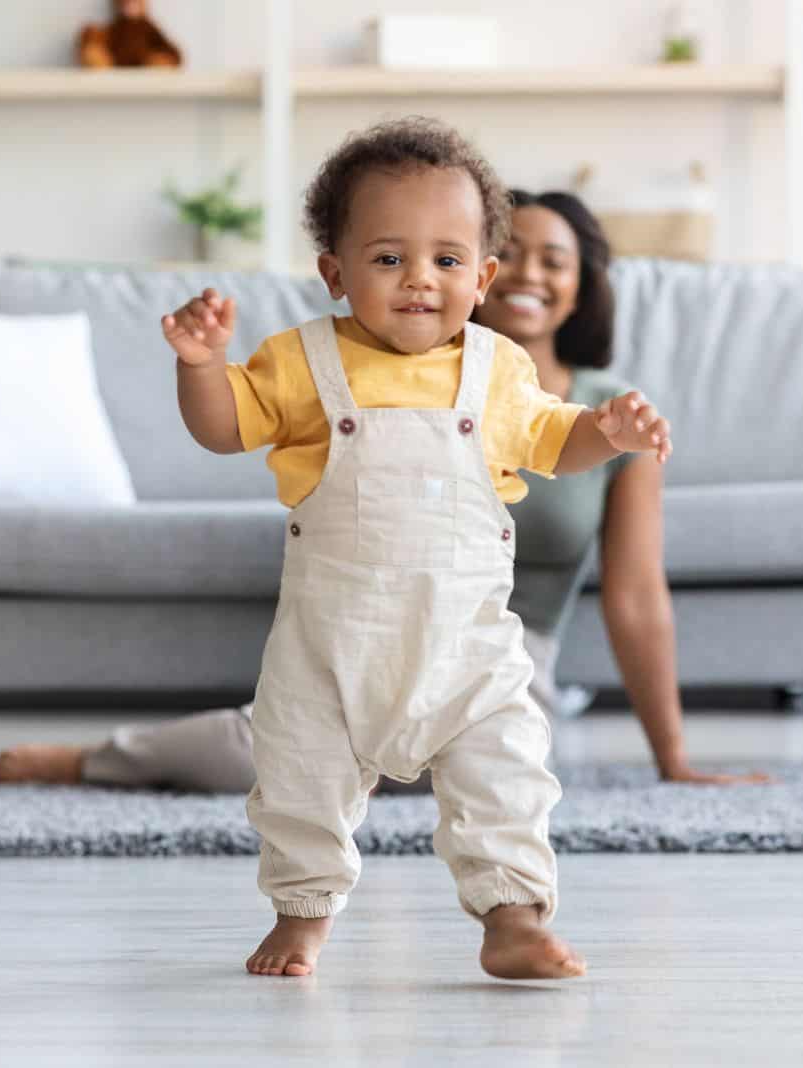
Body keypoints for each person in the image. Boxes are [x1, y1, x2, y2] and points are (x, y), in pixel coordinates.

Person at [0, 189, 766, 797]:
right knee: (294, 747)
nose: (531, 273)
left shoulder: (610, 413)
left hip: (499, 648)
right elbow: (239, 426)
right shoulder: (364, 372)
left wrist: (675, 761)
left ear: (582, 283)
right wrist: (204, 368)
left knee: (474, 763)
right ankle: (99, 760)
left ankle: (505, 903)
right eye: (513, 251)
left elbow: (635, 598)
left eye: (554, 259)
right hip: (366, 612)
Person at [174, 116, 672, 981]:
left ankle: (511, 918)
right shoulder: (301, 362)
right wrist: (201, 365)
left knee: (507, 778)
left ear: (482, 277)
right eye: (387, 258)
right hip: (329, 651)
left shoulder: (499, 370)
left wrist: (608, 431)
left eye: (446, 260)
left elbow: (557, 444)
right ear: (335, 272)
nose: (418, 281)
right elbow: (223, 430)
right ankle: (301, 915)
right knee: (300, 786)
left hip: (466, 651)